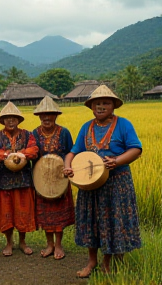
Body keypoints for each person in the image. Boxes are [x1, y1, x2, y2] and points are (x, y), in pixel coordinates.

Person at [64, 85, 142, 278]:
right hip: (90, 183)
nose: (100, 106)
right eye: (97, 103)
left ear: (113, 106)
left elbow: (135, 149)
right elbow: (73, 152)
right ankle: (92, 262)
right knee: (92, 221)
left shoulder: (124, 125)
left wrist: (116, 161)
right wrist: (68, 165)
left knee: (115, 221)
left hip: (117, 183)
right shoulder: (86, 127)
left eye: (105, 103)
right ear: (91, 107)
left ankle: (112, 261)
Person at [0, 101, 39, 256]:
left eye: (14, 118)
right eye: (7, 118)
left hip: (23, 180)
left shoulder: (27, 134)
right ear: (3, 120)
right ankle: (9, 242)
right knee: (7, 212)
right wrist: (5, 155)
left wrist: (22, 154)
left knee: (23, 211)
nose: (10, 121)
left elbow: (34, 149)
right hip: (4, 181)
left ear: (18, 120)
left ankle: (22, 242)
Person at [32, 96, 75, 260]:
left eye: (50, 114)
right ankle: (49, 244)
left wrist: (67, 168)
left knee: (58, 212)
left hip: (60, 178)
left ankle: (58, 244)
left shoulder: (64, 132)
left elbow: (71, 153)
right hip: (41, 178)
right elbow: (32, 156)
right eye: (43, 115)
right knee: (44, 213)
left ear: (56, 115)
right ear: (39, 116)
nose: (47, 117)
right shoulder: (34, 134)